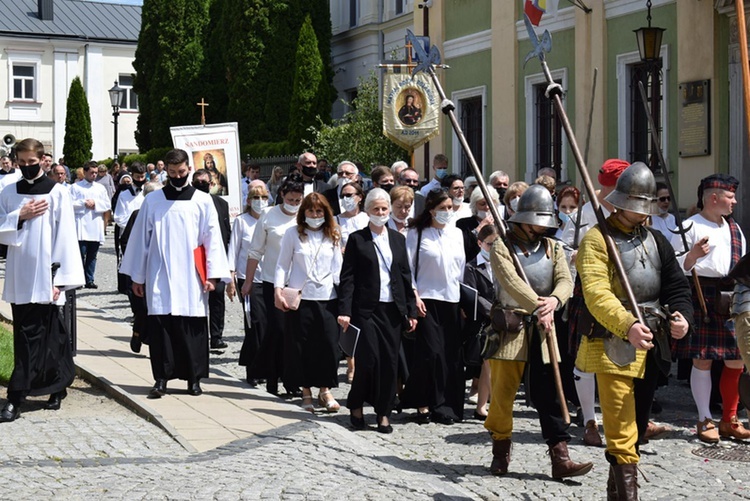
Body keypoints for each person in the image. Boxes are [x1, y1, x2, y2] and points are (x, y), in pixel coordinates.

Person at [576, 162, 692, 499]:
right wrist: (627, 324)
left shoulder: (656, 240)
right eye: (634, 207)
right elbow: (597, 292)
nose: (641, 214)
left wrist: (682, 316)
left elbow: (676, 286)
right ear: (620, 202)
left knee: (637, 425)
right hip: (612, 340)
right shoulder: (597, 239)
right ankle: (629, 493)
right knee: (621, 423)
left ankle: (616, 489)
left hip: (652, 341)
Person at [484, 184, 591, 479]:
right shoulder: (502, 246)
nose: (542, 227)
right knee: (504, 395)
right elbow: (511, 283)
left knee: (551, 394)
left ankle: (561, 458)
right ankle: (500, 450)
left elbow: (566, 280)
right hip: (511, 328)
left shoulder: (553, 247)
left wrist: (555, 301)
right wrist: (538, 307)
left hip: (546, 328)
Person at [119, 148, 230, 399]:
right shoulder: (153, 201)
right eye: (172, 173)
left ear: (188, 170)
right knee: (162, 327)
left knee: (192, 326)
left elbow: (212, 239)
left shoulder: (202, 201)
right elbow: (140, 241)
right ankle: (161, 378)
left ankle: (194, 378)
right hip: (160, 272)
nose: (178, 176)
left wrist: (212, 275)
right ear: (166, 172)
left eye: (181, 172)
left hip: (192, 275)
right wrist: (138, 277)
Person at [0, 138, 85, 422]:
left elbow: (66, 236)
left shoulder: (57, 193)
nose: (26, 168)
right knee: (32, 335)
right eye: (21, 163)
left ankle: (17, 396)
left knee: (46, 336)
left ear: (43, 160)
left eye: (31, 163)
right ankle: (57, 385)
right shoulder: (9, 191)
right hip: (19, 274)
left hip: (48, 275)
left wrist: (61, 280)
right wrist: (18, 216)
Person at [670, 174, 749, 443]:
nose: (734, 201)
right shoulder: (689, 226)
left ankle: (729, 419)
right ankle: (704, 418)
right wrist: (691, 256)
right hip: (701, 293)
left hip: (731, 295)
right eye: (730, 196)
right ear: (714, 198)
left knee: (736, 360)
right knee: (702, 359)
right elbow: (675, 268)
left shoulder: (735, 229)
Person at [338, 188, 418, 432]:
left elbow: (405, 276)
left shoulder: (398, 239)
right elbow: (348, 278)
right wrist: (345, 310)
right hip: (366, 311)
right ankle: (356, 406)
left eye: (384, 209)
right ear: (367, 211)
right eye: (376, 209)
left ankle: (383, 413)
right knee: (369, 360)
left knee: (389, 364)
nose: (381, 213)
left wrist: (411, 311)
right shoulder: (357, 239)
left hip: (392, 310)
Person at [401, 189, 466, 424]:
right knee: (431, 353)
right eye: (442, 208)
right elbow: (408, 268)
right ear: (431, 210)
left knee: (450, 355)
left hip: (451, 299)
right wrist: (414, 296)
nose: (447, 212)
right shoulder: (417, 233)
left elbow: (460, 269)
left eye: (450, 208)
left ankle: (446, 405)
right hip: (426, 299)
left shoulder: (457, 234)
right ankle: (423, 403)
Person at [274, 193, 343, 412]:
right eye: (311, 211)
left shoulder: (332, 234)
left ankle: (325, 390)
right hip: (302, 298)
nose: (315, 215)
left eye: (319, 211)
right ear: (304, 213)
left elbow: (338, 267)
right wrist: (278, 290)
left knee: (328, 346)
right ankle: (306, 392)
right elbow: (282, 265)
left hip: (327, 297)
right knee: (302, 345)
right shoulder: (292, 234)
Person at [242, 176, 305, 396]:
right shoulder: (269, 215)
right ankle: (271, 377)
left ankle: (292, 378)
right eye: (291, 199)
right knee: (277, 330)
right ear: (281, 196)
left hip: (298, 283)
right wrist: (248, 281)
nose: (294, 203)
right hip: (272, 282)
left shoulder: (306, 216)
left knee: (295, 334)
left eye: (298, 200)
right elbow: (255, 250)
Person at [229, 182, 269, 385]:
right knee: (255, 323)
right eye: (256, 198)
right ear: (248, 200)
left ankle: (267, 367)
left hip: (269, 278)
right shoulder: (242, 222)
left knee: (269, 325)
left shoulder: (270, 220)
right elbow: (234, 249)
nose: (260, 202)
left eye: (263, 198)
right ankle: (253, 369)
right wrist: (230, 277)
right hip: (248, 278)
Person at [120, 181, 164, 353]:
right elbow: (128, 242)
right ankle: (138, 333)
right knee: (144, 308)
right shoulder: (138, 214)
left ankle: (155, 342)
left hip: (160, 269)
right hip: (142, 270)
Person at [192, 169, 232, 350]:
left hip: (217, 256)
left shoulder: (221, 204)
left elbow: (226, 231)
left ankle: (216, 336)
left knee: (217, 298)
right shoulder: (188, 203)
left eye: (204, 182)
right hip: (195, 257)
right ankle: (196, 336)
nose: (201, 185)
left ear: (211, 184)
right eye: (197, 182)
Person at [462, 225, 497, 420]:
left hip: (504, 319)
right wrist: (493, 310)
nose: (493, 248)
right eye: (490, 244)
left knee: (492, 365)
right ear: (480, 243)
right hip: (484, 322)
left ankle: (484, 404)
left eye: (497, 244)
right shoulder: (471, 267)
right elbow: (472, 294)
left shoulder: (505, 263)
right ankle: (484, 405)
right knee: (488, 363)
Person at [69, 161, 111, 289]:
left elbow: (107, 204)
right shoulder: (76, 187)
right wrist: (83, 203)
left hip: (95, 224)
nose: (94, 175)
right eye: (92, 172)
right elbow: (69, 204)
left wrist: (96, 203)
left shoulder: (100, 188)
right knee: (80, 254)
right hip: (81, 224)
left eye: (96, 173)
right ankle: (78, 279)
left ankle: (89, 279)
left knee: (92, 255)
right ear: (85, 172)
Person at [456, 186, 500, 262]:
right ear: (475, 205)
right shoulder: (463, 224)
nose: (486, 207)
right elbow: (465, 247)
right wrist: (480, 227)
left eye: (490, 204)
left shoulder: (501, 224)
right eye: (482, 204)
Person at [336, 181, 369, 250]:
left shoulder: (368, 218)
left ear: (360, 197)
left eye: (348, 195)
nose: (345, 199)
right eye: (342, 196)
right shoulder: (335, 220)